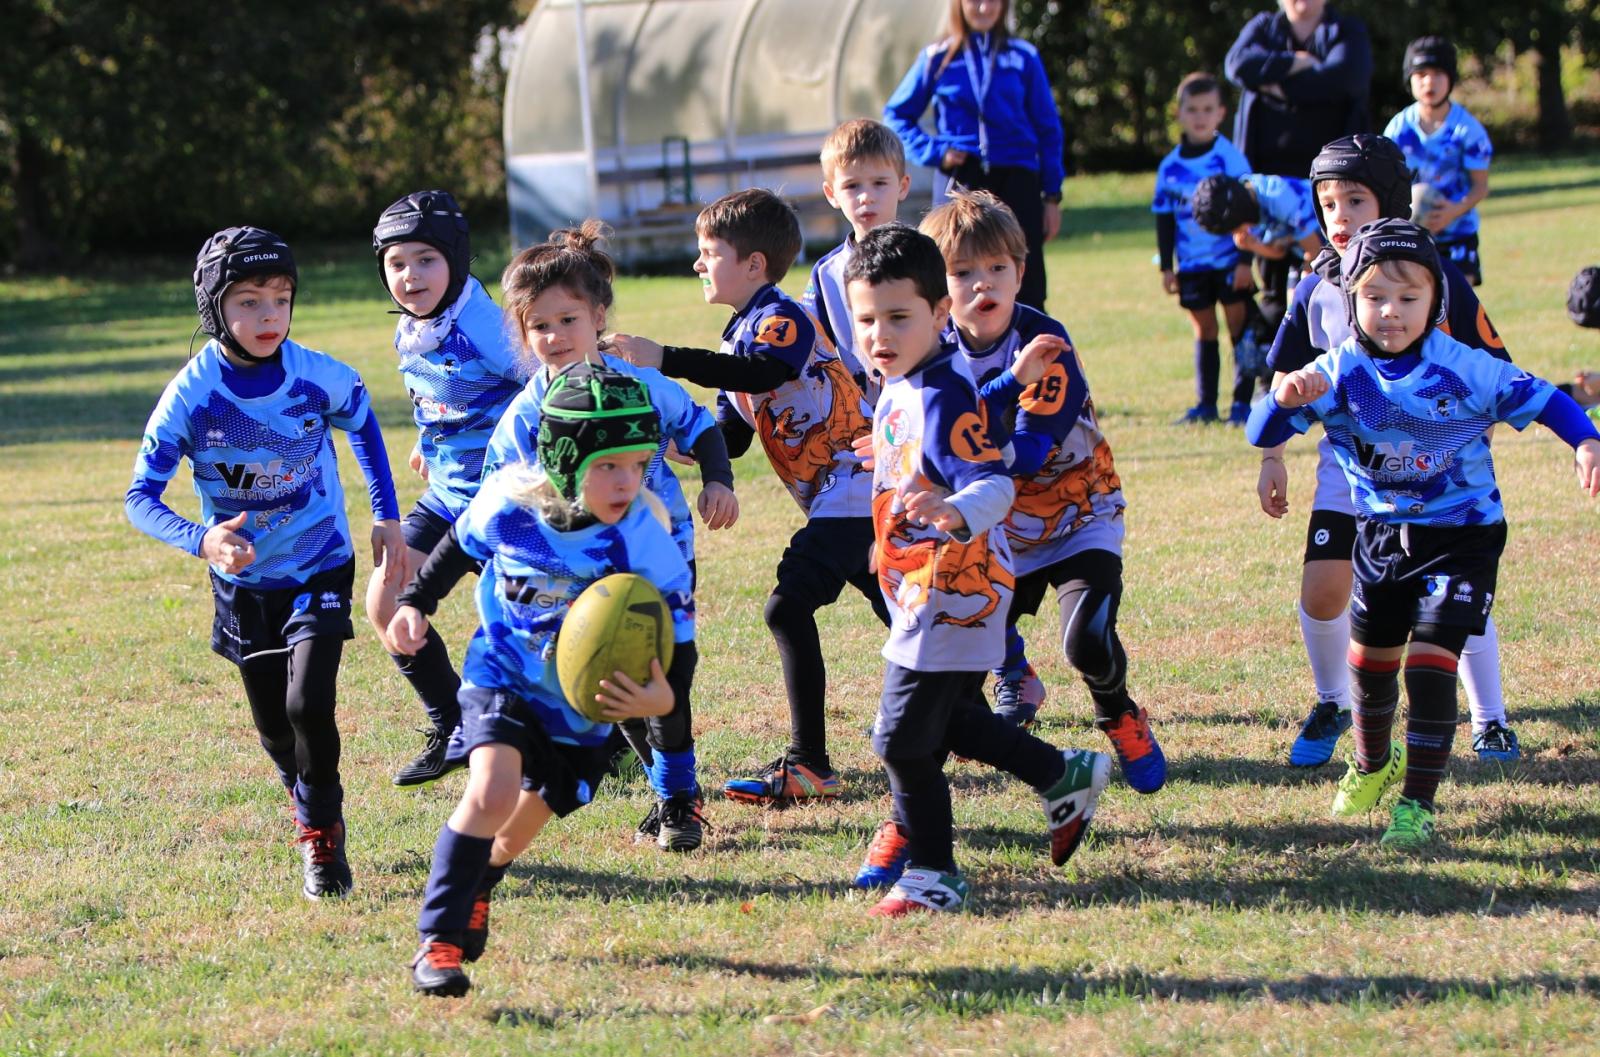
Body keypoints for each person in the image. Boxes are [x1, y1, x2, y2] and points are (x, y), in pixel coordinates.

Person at [1247, 219, 1600, 848]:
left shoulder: (1464, 367)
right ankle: (1373, 761)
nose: (1391, 312)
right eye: (1375, 297)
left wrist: (1586, 440)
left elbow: (1545, 398)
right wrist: (1282, 400)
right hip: (1381, 537)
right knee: (1370, 666)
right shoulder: (1337, 370)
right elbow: (1260, 432)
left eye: (1409, 298)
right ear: (1351, 301)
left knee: (1432, 664)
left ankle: (1416, 807)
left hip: (1463, 537)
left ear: (1435, 300)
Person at [398, 363, 697, 997]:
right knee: (492, 789)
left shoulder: (642, 539)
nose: (626, 482)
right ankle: (438, 943)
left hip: (583, 706)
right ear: (563, 458)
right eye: (607, 466)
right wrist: (415, 602)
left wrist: (665, 696)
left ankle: (485, 875)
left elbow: (679, 642)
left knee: (532, 813)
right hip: (502, 673)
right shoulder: (509, 502)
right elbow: (457, 545)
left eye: (637, 466)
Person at [125, 227, 406, 899]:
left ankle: (322, 838)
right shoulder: (192, 394)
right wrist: (203, 540)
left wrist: (385, 513)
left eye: (280, 299)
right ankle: (302, 786)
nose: (269, 316)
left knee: (310, 703)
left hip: (321, 565)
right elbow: (139, 496)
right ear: (214, 308)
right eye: (249, 301)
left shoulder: (315, 375)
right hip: (246, 584)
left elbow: (363, 417)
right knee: (276, 727)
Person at [844, 222, 1110, 914]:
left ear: (939, 315)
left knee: (900, 738)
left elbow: (992, 482)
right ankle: (1062, 772)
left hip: (955, 588)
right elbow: (961, 425)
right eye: (866, 319)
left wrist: (950, 511)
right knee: (948, 721)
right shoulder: (909, 382)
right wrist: (891, 530)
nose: (880, 334)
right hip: (924, 580)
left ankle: (934, 870)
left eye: (899, 317)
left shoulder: (934, 393)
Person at [609, 189, 888, 806]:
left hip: (859, 482)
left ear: (754, 264)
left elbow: (764, 373)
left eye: (709, 253)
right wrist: (663, 436)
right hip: (841, 496)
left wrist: (667, 358)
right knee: (901, 608)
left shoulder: (781, 316)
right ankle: (959, 707)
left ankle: (809, 761)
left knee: (786, 608)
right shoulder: (739, 337)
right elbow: (729, 437)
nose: (698, 264)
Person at [1260, 133, 1522, 767]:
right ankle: (1333, 701)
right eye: (1328, 204)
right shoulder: (1315, 286)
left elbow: (1492, 364)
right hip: (1349, 471)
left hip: (1436, 475)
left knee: (1451, 600)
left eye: (1356, 200)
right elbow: (1282, 381)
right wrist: (1270, 455)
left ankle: (1489, 719)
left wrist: (1468, 439)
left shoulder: (1431, 275)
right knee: (1325, 589)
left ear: (1392, 203)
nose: (1341, 217)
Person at [484, 222, 737, 851]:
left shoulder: (638, 385)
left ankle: (678, 798)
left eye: (567, 320)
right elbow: (502, 487)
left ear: (598, 316)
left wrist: (717, 481)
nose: (554, 337)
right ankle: (665, 785)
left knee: (666, 679)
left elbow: (701, 426)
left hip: (662, 556)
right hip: (576, 574)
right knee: (606, 679)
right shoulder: (525, 414)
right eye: (538, 326)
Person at [924, 191, 1165, 785]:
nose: (983, 285)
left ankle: (1118, 714)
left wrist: (984, 402)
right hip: (997, 526)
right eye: (962, 273)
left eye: (997, 269)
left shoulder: (1044, 342)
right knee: (956, 655)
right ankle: (1012, 682)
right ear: (937, 286)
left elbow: (1029, 451)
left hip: (1079, 514)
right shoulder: (934, 354)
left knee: (1086, 640)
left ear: (1020, 272)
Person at [367, 190, 527, 787]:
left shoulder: (483, 321)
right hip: (445, 493)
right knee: (384, 600)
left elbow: (547, 379)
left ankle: (606, 738)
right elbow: (439, 396)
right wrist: (426, 441)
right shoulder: (415, 328)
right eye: (397, 262)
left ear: (456, 261)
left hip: (505, 502)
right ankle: (451, 723)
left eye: (427, 260)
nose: (411, 275)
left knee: (521, 632)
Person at [883, 0, 1064, 311]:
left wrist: (1052, 196)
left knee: (1026, 276)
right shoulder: (937, 57)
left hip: (1017, 177)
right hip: (961, 177)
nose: (984, 7)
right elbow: (896, 116)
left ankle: (1034, 350)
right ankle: (955, 352)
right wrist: (936, 151)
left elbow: (1048, 128)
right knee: (954, 267)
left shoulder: (1023, 57)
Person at [1224, 0, 1372, 308]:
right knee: (1276, 294)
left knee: (1335, 284)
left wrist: (1275, 86)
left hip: (1331, 186)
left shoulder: (1346, 30)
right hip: (1268, 191)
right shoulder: (1264, 27)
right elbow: (1237, 65)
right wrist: (1295, 62)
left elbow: (1345, 77)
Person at [1152, 73, 1257, 425]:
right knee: (1205, 329)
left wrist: (1245, 259)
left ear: (1221, 114)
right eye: (1192, 109)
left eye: (1208, 109)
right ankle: (1206, 404)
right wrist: (1167, 267)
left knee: (1238, 328)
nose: (1200, 116)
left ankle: (1242, 403)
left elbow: (1249, 211)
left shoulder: (1229, 158)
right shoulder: (1170, 167)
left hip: (1229, 262)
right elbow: (1164, 219)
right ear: (1179, 113)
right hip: (1193, 265)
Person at [802, 118, 914, 404]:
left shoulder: (926, 256)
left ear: (902, 186)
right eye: (852, 186)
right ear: (832, 194)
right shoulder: (826, 274)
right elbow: (813, 345)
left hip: (922, 405)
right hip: (859, 415)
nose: (866, 197)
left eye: (879, 183)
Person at [1385, 37, 1493, 286]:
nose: (1428, 82)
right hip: (1411, 235)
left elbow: (1480, 186)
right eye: (1420, 73)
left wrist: (1451, 212)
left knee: (1457, 306)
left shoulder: (1468, 131)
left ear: (1451, 79)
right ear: (1409, 78)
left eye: (1438, 73)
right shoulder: (1397, 130)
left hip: (1458, 235)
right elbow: (1386, 183)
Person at [1190, 172, 1325, 321]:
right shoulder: (1247, 204)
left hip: (1333, 245)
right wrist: (1253, 245)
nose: (1237, 232)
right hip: (1304, 253)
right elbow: (1280, 252)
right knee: (1294, 314)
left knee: (1305, 305)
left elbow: (1315, 250)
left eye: (1236, 228)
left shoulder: (1279, 197)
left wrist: (1305, 282)